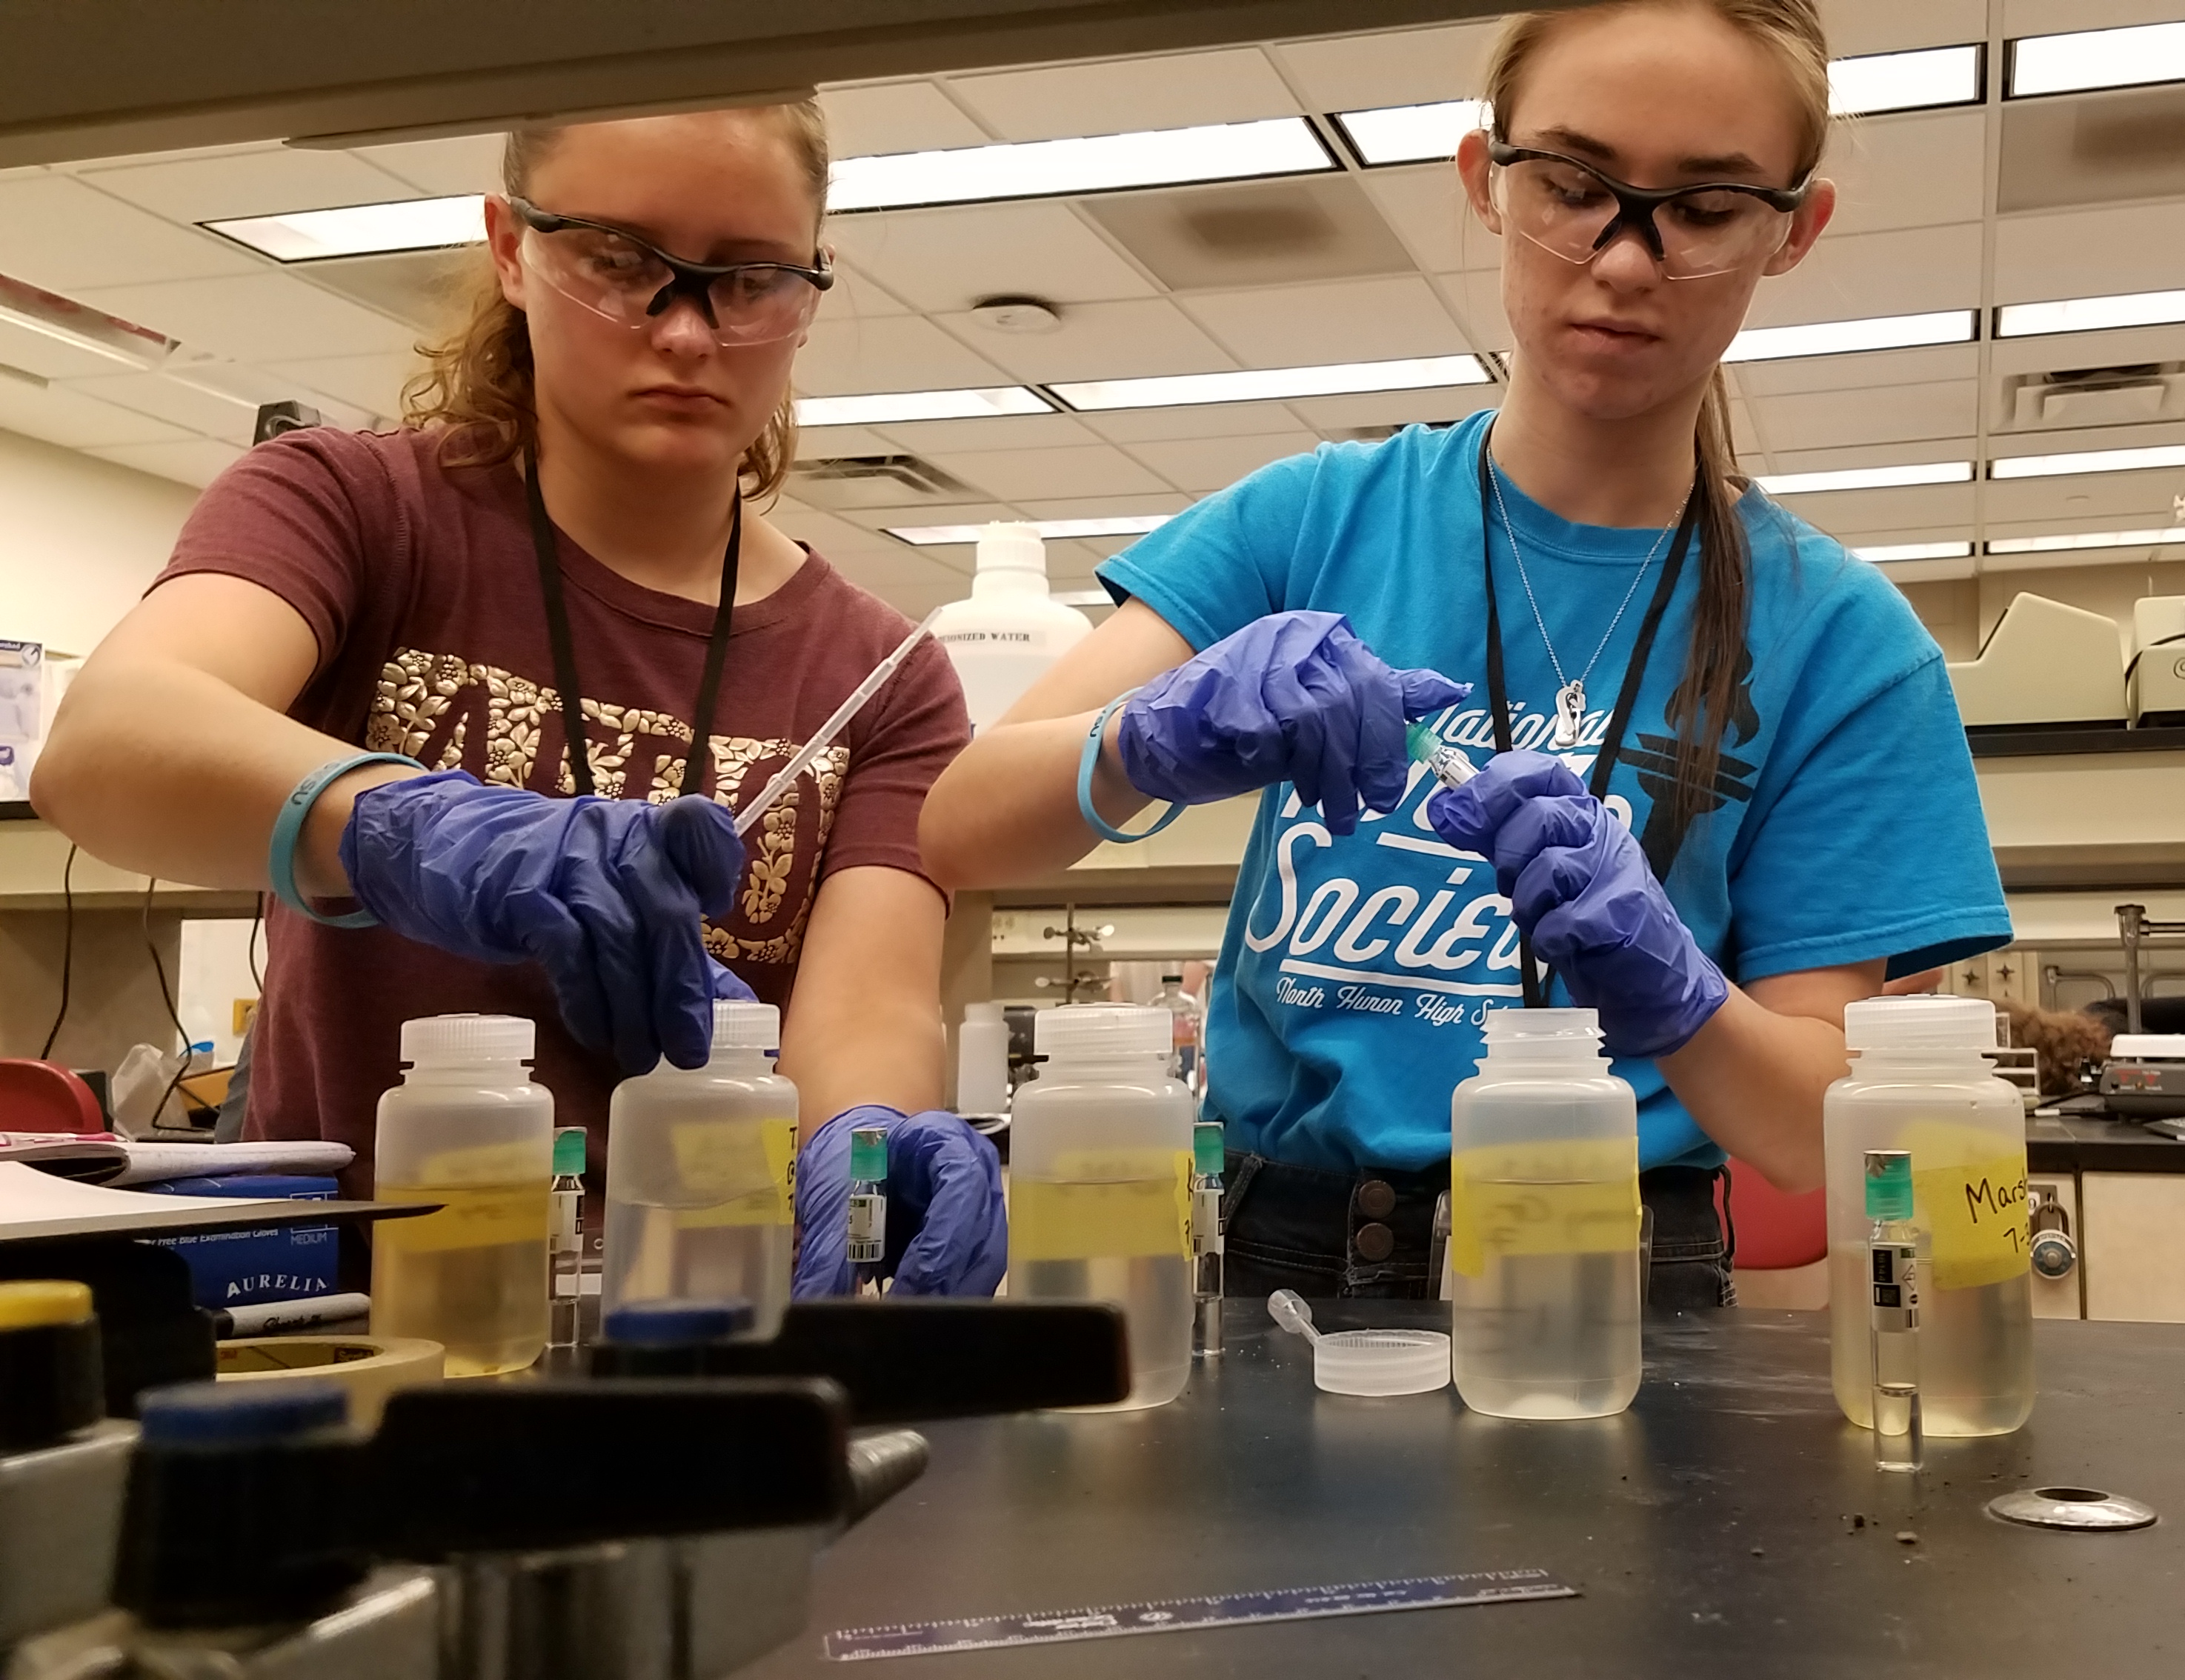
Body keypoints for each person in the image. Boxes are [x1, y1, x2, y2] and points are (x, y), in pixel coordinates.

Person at [917, 0, 2009, 1306]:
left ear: (1793, 229)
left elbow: (1824, 1145)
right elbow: (960, 829)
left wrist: (1680, 998)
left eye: (1706, 207)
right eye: (1573, 184)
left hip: (1617, 1293)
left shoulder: (1841, 642)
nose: (1623, 259)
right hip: (1274, 1268)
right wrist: (1146, 737)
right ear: (1487, 182)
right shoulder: (1309, 519)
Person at [32, 104, 1002, 1297]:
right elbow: (106, 745)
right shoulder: (356, 511)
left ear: (810, 288)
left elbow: (866, 1010)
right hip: (346, 1315)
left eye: (749, 279)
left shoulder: (881, 676)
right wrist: (409, 825)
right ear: (510, 247)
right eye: (621, 262)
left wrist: (869, 1147)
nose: (688, 331)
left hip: (698, 1318)